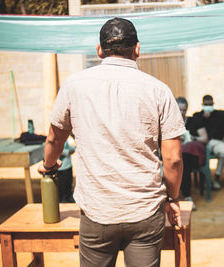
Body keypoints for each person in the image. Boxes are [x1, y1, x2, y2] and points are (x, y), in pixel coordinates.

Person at [38, 17, 185, 267]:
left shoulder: (74, 85)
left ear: (99, 50)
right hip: (145, 212)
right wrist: (172, 199)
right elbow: (173, 158)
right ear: (137, 49)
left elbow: (54, 138)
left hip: (97, 212)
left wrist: (49, 166)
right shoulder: (158, 90)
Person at [193, 95, 224, 190]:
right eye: (206, 104)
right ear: (202, 105)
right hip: (202, 143)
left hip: (217, 141)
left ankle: (217, 177)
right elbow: (193, 130)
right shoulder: (197, 116)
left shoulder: (220, 114)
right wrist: (204, 118)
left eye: (210, 104)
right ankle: (203, 180)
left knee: (223, 152)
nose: (208, 106)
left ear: (213, 104)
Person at [176, 97, 208, 211]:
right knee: (180, 161)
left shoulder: (194, 121)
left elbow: (204, 138)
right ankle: (185, 196)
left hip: (193, 156)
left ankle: (186, 196)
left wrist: (192, 138)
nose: (182, 113)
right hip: (176, 156)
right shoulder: (170, 123)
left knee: (184, 160)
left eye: (184, 110)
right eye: (179, 110)